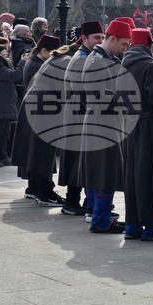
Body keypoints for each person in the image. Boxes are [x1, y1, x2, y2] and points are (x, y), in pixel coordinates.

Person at [79, 18, 133, 234]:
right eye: (123, 44)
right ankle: (100, 219)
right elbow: (99, 96)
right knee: (104, 172)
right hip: (101, 123)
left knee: (106, 171)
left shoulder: (106, 59)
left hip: (106, 122)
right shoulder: (97, 62)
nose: (125, 48)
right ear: (113, 38)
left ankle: (101, 216)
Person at [121, 29, 153, 241]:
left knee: (131, 176)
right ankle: (152, 226)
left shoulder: (121, 65)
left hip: (128, 125)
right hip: (148, 125)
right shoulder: (151, 66)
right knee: (149, 175)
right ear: (150, 44)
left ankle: (132, 226)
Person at [11, 34, 63, 204]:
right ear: (44, 50)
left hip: (34, 111)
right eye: (53, 53)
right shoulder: (38, 66)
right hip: (39, 113)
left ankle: (34, 188)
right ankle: (43, 191)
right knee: (40, 154)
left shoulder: (33, 63)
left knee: (33, 153)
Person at [58, 21, 103, 217]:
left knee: (80, 160)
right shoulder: (80, 59)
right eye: (96, 38)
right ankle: (71, 201)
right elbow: (81, 92)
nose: (100, 41)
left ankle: (81, 200)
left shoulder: (88, 57)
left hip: (80, 112)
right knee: (76, 160)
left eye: (102, 38)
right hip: (77, 114)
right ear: (84, 38)